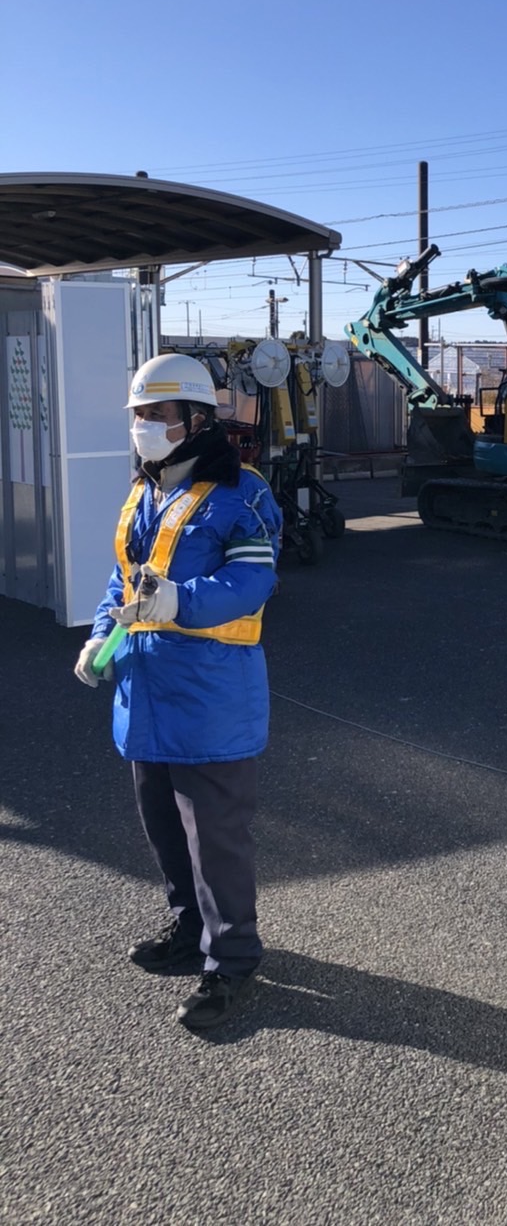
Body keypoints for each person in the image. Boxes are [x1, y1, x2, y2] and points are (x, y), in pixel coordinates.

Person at [74, 354, 282, 1031]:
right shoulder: (144, 491)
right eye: (138, 415)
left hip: (210, 698)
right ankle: (189, 930)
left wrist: (178, 602)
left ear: (196, 420)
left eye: (157, 415)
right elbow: (125, 584)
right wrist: (100, 639)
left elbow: (252, 582)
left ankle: (232, 962)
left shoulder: (242, 495)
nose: (144, 427)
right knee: (165, 830)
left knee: (216, 840)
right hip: (146, 692)